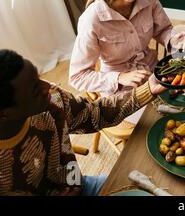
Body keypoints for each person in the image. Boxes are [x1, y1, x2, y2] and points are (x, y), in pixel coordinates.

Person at [0, 49, 166, 196]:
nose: (47, 87)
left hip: (82, 187)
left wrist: (147, 90)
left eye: (39, 78)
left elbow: (93, 113)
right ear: (4, 114)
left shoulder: (53, 98)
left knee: (153, 188)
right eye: (36, 91)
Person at [69, 0, 184, 96]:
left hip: (156, 74)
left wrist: (178, 41)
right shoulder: (93, 18)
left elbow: (163, 30)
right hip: (120, 94)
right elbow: (77, 77)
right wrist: (120, 77)